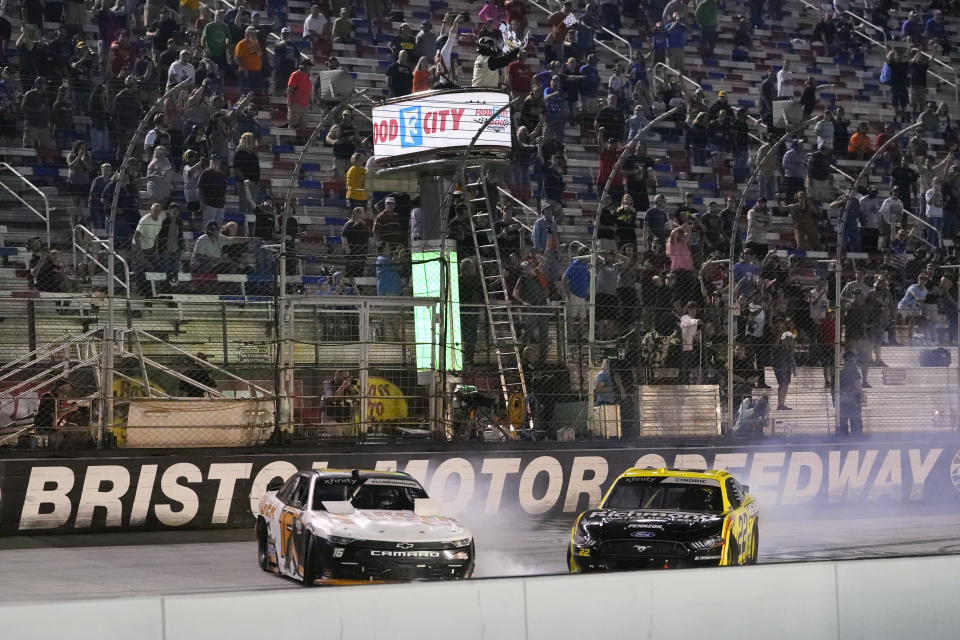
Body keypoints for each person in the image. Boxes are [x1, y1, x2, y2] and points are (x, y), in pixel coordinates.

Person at [835, 351, 863, 436]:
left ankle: (843, 435)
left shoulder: (839, 369)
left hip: (841, 396)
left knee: (842, 417)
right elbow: (857, 384)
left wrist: (834, 398)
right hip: (853, 396)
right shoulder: (854, 370)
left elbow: (834, 385)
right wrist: (861, 394)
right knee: (855, 418)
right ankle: (856, 435)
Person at [771, 331, 797, 410]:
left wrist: (794, 368)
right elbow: (774, 347)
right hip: (780, 368)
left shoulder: (788, 348)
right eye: (790, 339)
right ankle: (780, 404)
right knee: (782, 385)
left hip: (787, 368)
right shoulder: (779, 347)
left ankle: (782, 403)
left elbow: (791, 358)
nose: (792, 341)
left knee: (785, 385)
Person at [286, 59, 312, 133]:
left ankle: (301, 141)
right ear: (303, 66)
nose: (310, 68)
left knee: (303, 125)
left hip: (305, 104)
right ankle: (290, 140)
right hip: (296, 103)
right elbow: (290, 88)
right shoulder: (295, 74)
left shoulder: (307, 77)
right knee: (292, 123)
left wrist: (310, 103)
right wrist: (290, 101)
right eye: (309, 66)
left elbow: (308, 91)